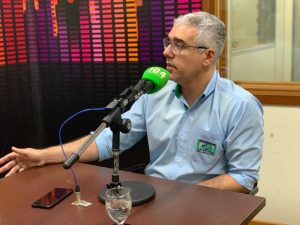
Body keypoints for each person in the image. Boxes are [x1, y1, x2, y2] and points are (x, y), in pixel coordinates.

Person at [0, 11, 263, 193]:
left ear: (208, 56)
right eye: (168, 42)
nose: (166, 52)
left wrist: (185, 194)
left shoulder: (240, 106)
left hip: (206, 204)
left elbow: (244, 177)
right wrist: (43, 156)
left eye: (179, 45)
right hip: (157, 198)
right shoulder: (155, 93)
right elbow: (106, 140)